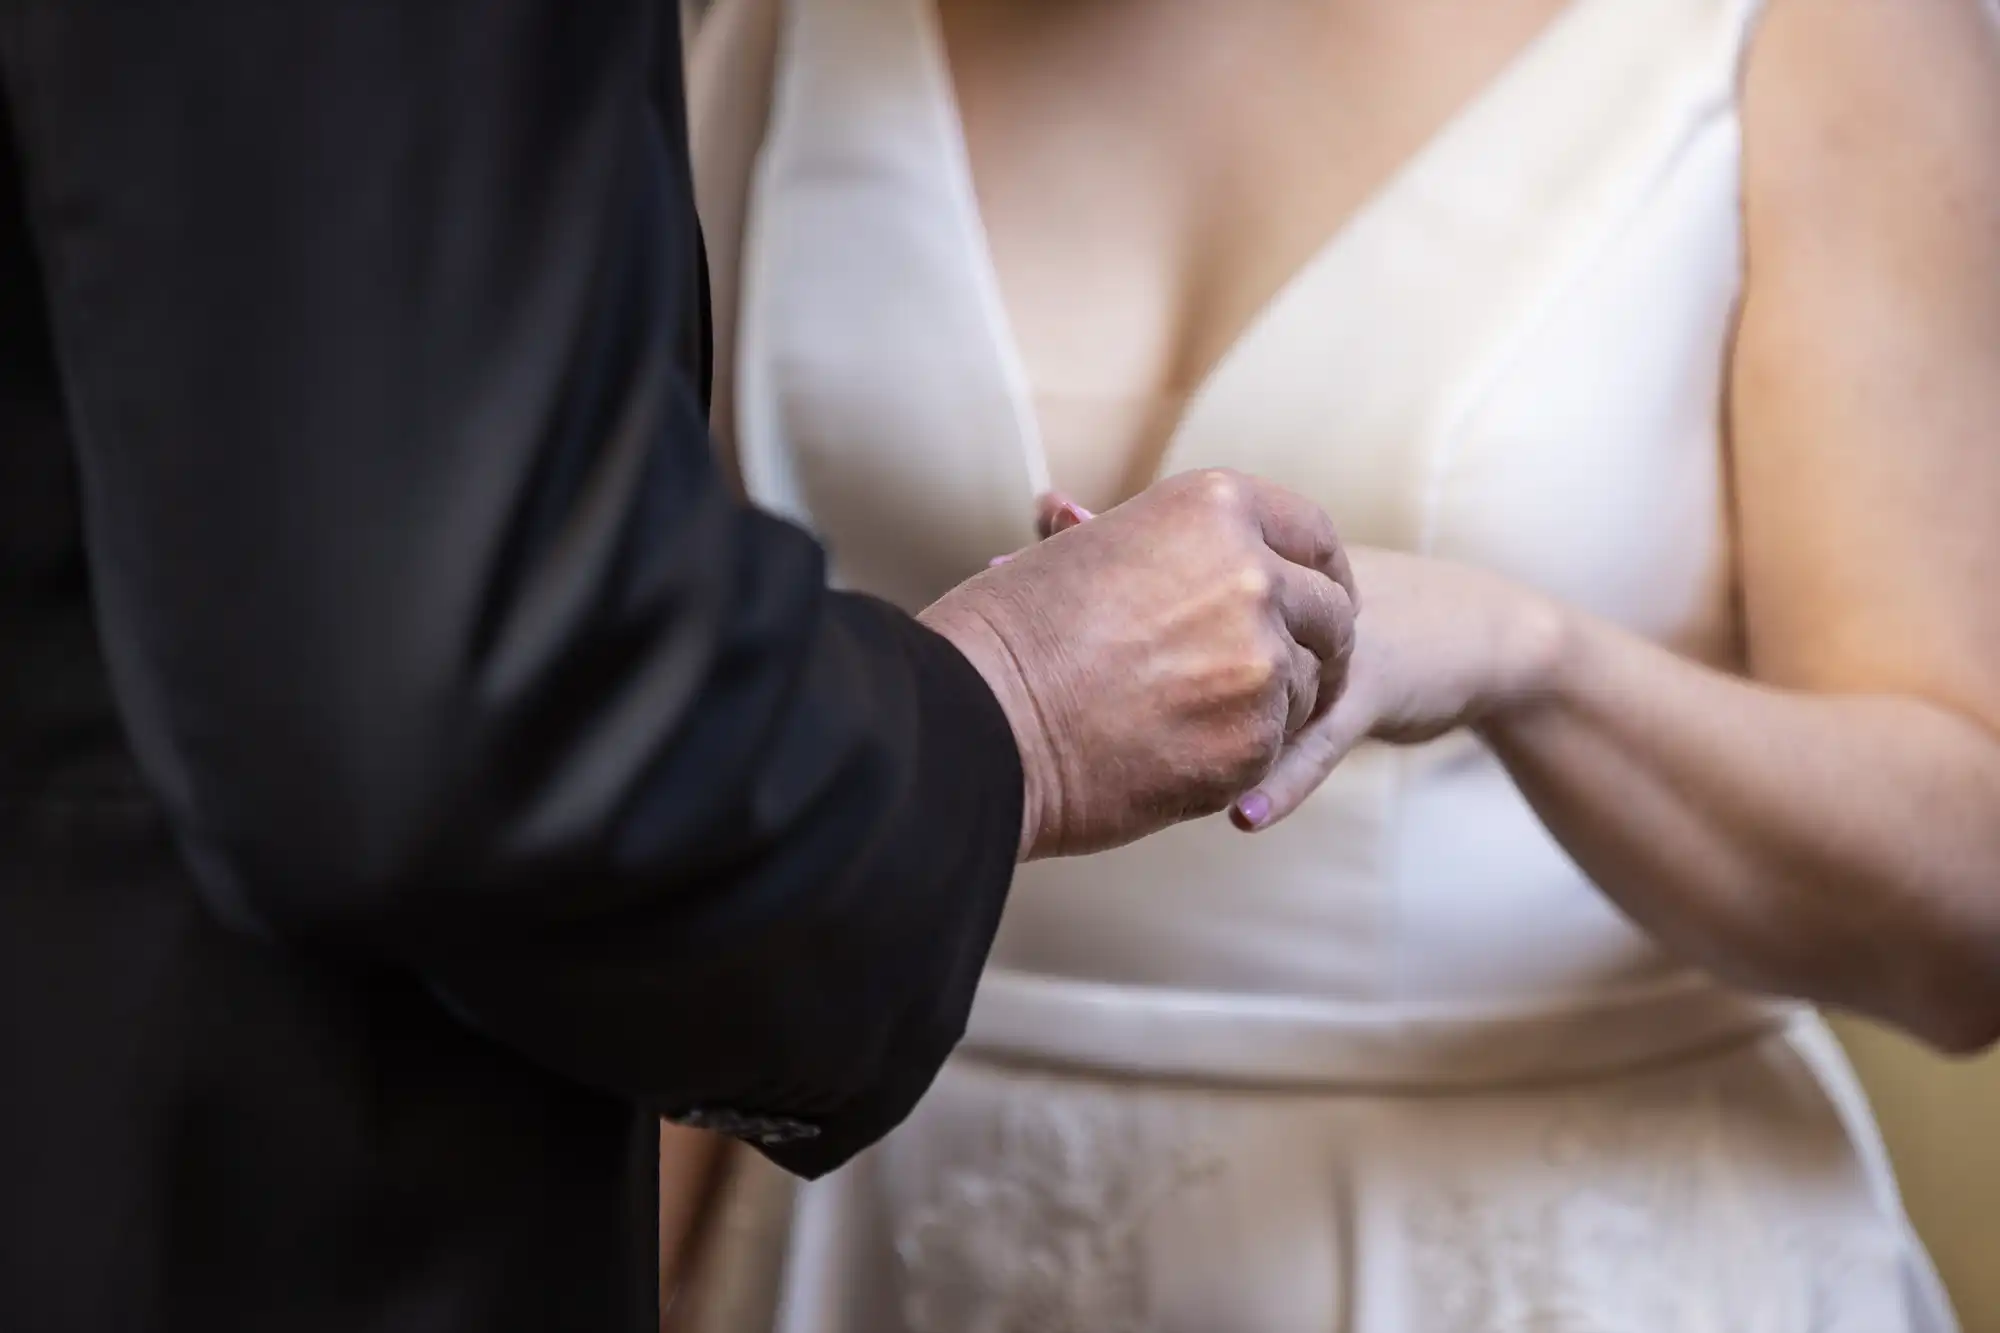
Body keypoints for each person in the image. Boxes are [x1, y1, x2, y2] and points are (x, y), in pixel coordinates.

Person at [0, 3, 1363, 1330]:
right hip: (221, 1177)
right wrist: (1016, 707)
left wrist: (1504, 651)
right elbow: (435, 675)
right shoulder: (786, 38)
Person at [679, 0, 2000, 1327]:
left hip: (1546, 1261)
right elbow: (671, 780)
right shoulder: (781, 28)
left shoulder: (1823, 30)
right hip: (869, 1232)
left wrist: (1531, 662)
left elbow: (1968, 921)